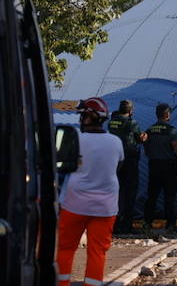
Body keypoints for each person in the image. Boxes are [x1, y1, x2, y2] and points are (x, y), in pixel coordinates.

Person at [57, 97, 124, 286]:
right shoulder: (116, 142)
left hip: (74, 204)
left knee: (66, 249)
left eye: (81, 115)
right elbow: (118, 167)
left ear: (87, 117)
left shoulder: (75, 139)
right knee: (97, 252)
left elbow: (61, 166)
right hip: (106, 207)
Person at [143, 103, 177, 236]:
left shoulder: (149, 130)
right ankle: (170, 225)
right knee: (169, 197)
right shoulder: (171, 130)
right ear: (167, 115)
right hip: (169, 167)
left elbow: (145, 149)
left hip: (154, 165)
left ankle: (147, 224)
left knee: (152, 196)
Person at [107, 100, 145, 234]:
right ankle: (127, 225)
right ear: (130, 111)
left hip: (115, 161)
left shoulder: (111, 122)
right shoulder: (131, 122)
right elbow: (139, 138)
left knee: (117, 194)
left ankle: (115, 225)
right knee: (130, 193)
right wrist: (144, 137)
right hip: (129, 161)